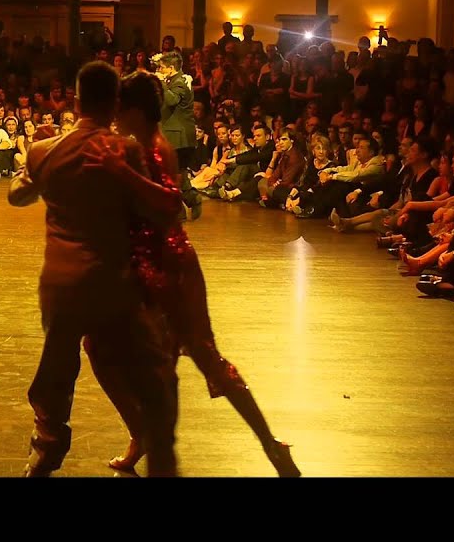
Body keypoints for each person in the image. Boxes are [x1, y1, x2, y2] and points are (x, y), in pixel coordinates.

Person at [82, 71, 300, 477]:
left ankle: (268, 445)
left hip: (169, 268)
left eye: (118, 110)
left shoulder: (155, 148)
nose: (114, 116)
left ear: (132, 110)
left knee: (199, 357)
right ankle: (145, 435)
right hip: (149, 265)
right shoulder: (141, 145)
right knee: (103, 347)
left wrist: (120, 174)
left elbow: (170, 205)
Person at [7, 61, 179, 477]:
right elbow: (156, 212)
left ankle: (46, 449)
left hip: (62, 281)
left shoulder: (46, 150)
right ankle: (156, 448)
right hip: (113, 280)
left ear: (76, 100)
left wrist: (33, 161)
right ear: (115, 102)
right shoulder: (128, 151)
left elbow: (17, 196)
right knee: (136, 367)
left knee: (57, 365)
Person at [154, 52, 201, 219]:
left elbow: (172, 100)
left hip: (179, 136)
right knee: (176, 171)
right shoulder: (174, 80)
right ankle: (191, 200)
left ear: (171, 68)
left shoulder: (180, 82)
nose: (159, 70)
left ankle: (180, 208)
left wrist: (160, 81)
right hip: (174, 135)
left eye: (162, 67)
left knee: (172, 172)